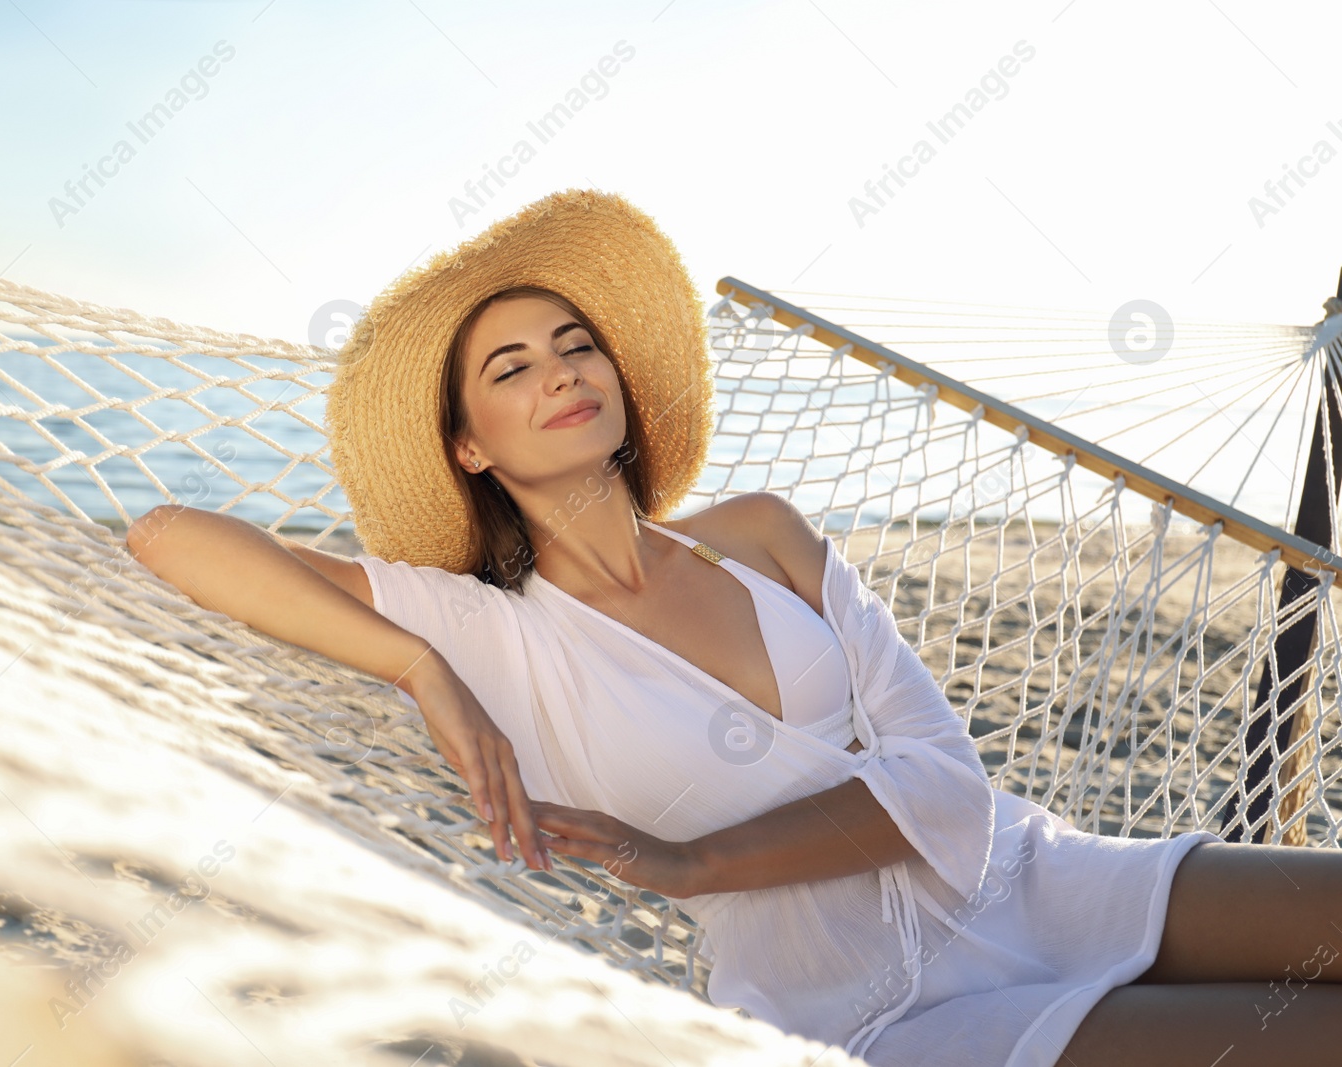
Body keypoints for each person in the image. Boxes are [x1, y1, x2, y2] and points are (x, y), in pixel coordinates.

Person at [127, 189, 1342, 1065]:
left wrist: (695, 865)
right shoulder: (484, 630)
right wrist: (414, 664)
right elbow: (169, 535)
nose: (558, 372)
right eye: (508, 368)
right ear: (468, 446)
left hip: (1032, 873)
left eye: (574, 343)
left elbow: (951, 785)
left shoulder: (754, 531)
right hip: (865, 1007)